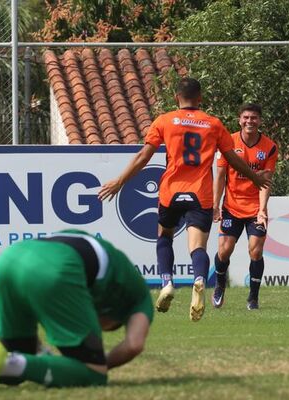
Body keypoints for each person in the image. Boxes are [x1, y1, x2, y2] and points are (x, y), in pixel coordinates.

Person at [98, 78, 271, 322]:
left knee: (164, 236)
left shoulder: (164, 120)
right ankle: (199, 280)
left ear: (177, 98)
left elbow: (143, 156)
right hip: (200, 193)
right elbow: (232, 158)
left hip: (171, 191)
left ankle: (167, 282)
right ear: (200, 99)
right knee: (197, 247)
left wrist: (119, 181)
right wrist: (255, 177)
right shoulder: (213, 124)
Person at [0, 229, 153, 395]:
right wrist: (98, 365)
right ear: (115, 315)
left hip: (9, 259)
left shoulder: (107, 258)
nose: (98, 326)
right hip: (56, 267)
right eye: (105, 326)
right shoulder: (141, 297)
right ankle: (8, 362)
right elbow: (134, 344)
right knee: (93, 374)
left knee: (15, 364)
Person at [211, 103, 278, 310]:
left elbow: (265, 181)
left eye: (254, 118)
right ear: (240, 119)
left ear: (260, 121)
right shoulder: (228, 143)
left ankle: (253, 298)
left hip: (254, 209)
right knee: (224, 251)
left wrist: (262, 209)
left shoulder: (269, 147)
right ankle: (220, 284)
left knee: (255, 252)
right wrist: (215, 205)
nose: (250, 121)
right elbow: (220, 177)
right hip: (231, 206)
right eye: (246, 117)